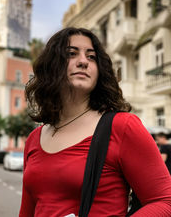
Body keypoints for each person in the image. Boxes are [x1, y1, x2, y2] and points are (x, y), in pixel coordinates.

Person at [19, 27, 171, 217]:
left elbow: (164, 201)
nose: (83, 61)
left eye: (91, 57)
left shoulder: (122, 126)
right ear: (52, 65)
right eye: (71, 54)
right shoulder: (34, 138)